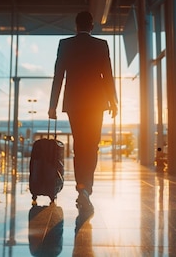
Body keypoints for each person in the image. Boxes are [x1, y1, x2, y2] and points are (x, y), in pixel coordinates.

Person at [48, 11, 118, 211]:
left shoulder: (65, 44)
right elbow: (108, 76)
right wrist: (114, 101)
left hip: (75, 103)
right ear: (92, 26)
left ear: (76, 25)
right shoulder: (101, 45)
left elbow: (58, 76)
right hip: (96, 103)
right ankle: (87, 187)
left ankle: (81, 188)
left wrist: (52, 105)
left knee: (80, 144)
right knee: (92, 144)